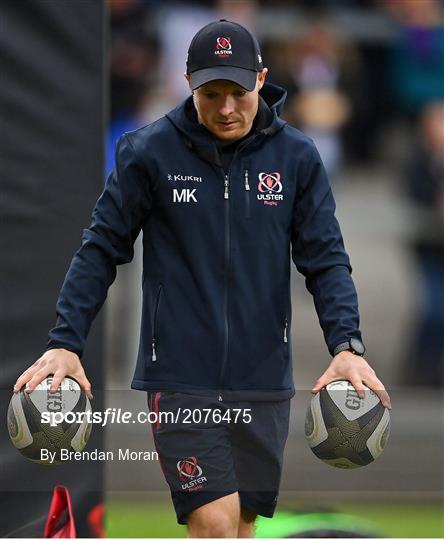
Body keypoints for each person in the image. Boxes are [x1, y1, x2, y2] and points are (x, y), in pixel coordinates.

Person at [14, 20, 391, 538]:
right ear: (187, 81)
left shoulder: (297, 158)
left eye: (237, 92)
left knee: (240, 525)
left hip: (263, 378)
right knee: (214, 522)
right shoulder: (147, 152)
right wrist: (65, 342)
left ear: (261, 79)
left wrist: (346, 344)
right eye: (211, 94)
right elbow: (100, 249)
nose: (226, 108)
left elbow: (325, 260)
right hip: (180, 377)